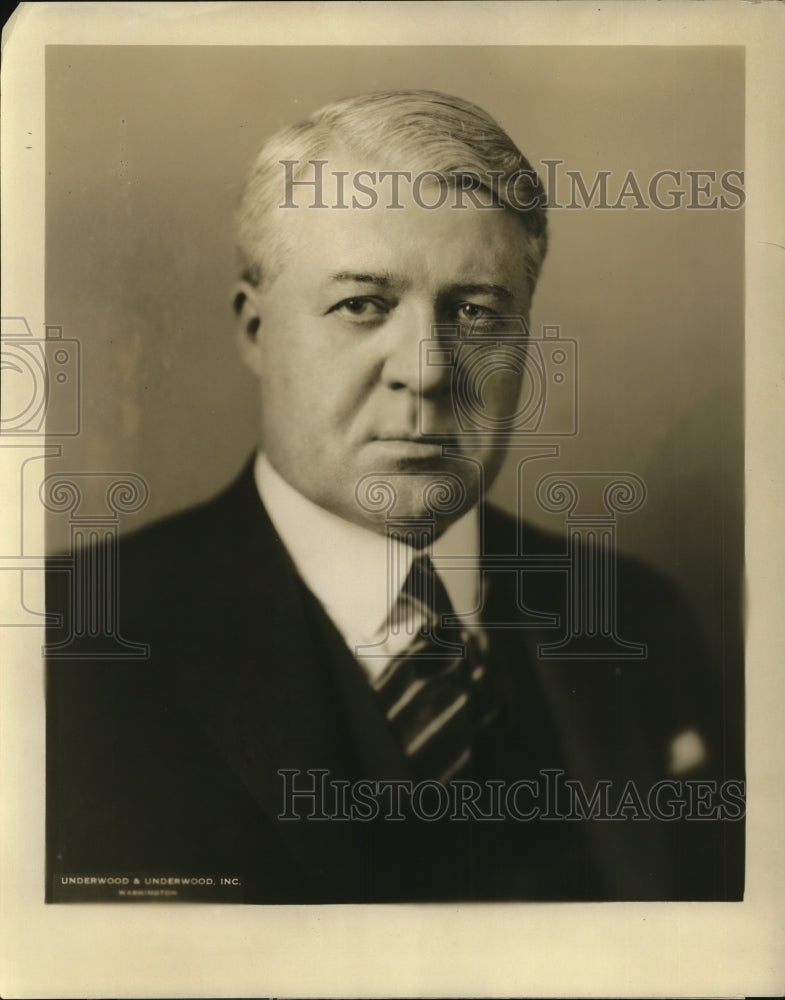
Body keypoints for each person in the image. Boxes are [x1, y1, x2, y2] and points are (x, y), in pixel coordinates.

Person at [46, 90, 743, 904]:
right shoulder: (70, 640)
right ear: (254, 330)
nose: (429, 369)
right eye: (362, 306)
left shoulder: (637, 620)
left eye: (475, 312)